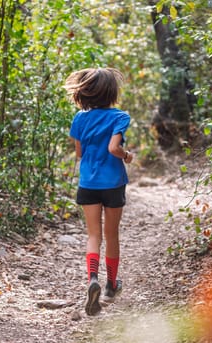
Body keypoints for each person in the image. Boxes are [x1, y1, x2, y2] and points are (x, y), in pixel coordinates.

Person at [64, 67, 133, 316]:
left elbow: (80, 153)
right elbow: (115, 148)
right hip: (113, 183)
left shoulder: (80, 118)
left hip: (88, 184)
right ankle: (111, 286)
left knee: (94, 235)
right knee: (111, 235)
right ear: (111, 92)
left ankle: (92, 278)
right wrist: (126, 155)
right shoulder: (120, 117)